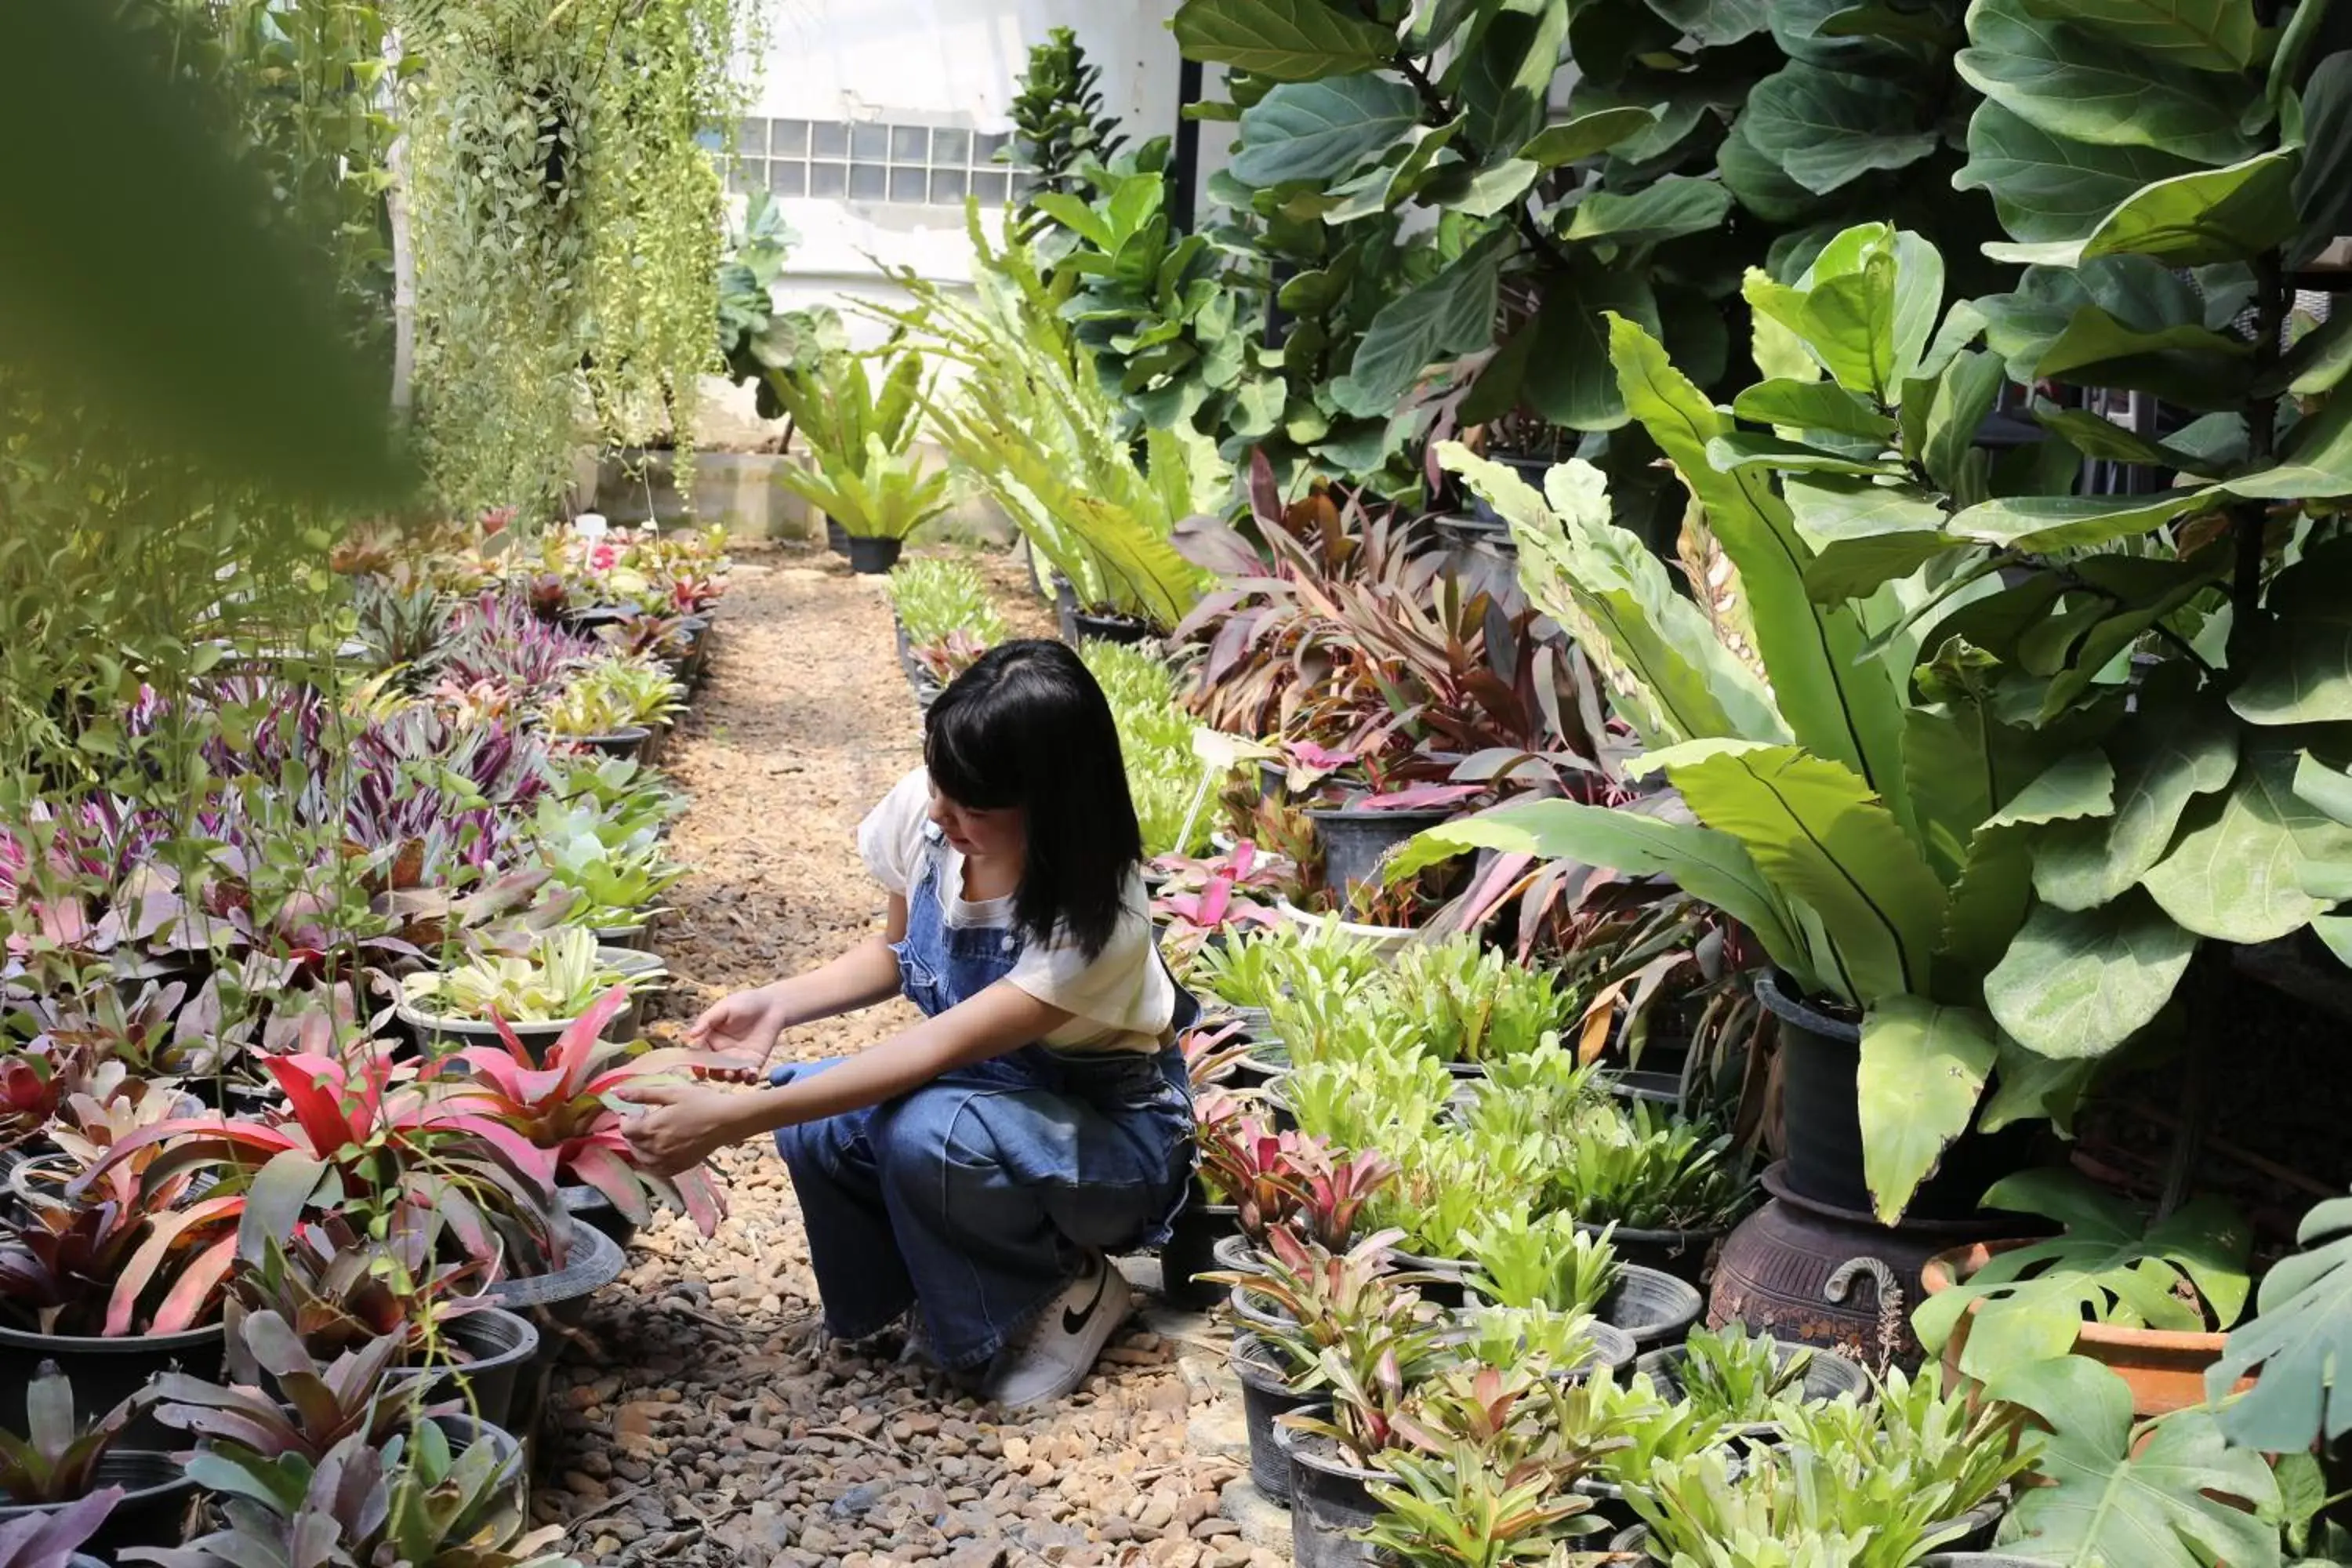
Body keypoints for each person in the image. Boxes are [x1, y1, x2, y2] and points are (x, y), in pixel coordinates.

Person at [619, 638, 1196, 1408]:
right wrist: (780, 1002)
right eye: (939, 785)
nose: (939, 814)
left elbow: (929, 1050)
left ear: (1055, 809)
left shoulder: (1097, 924)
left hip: (1110, 1149)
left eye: (975, 808)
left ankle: (1068, 1286)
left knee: (928, 1130)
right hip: (981, 1099)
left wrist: (732, 1117)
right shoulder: (931, 821)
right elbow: (899, 951)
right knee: (817, 1120)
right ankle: (947, 1291)